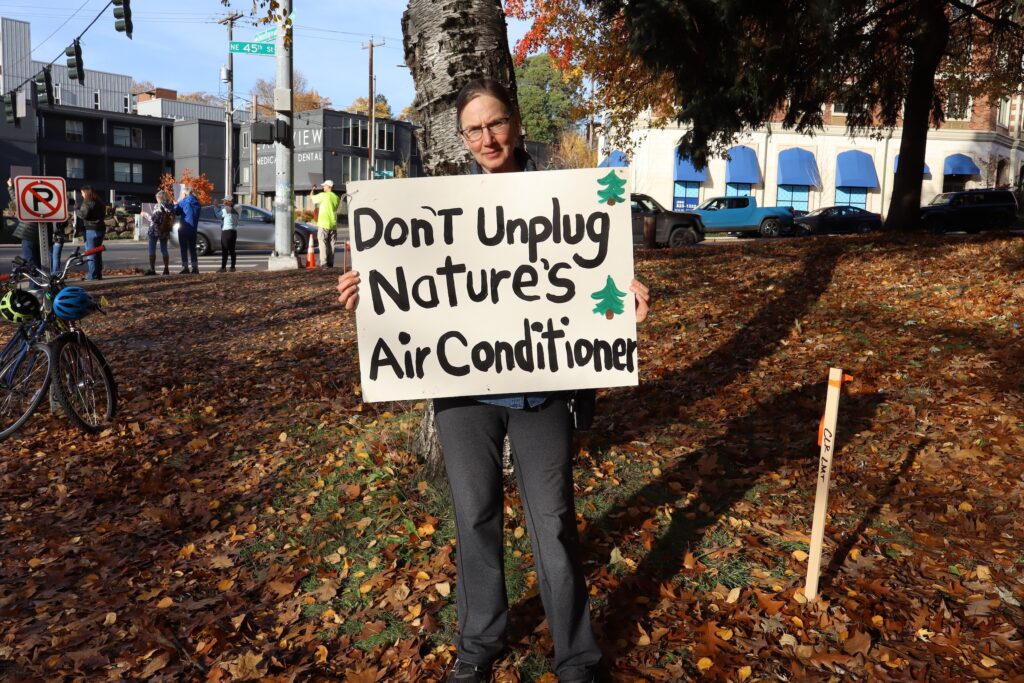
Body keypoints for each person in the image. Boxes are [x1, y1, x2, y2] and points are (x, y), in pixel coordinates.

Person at [336, 78, 651, 683]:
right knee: (474, 514)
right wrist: (367, 293)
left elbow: (593, 283)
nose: (487, 137)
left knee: (553, 522)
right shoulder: (438, 205)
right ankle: (479, 645)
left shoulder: (568, 196)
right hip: (463, 391)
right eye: (474, 129)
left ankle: (576, 657)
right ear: (462, 138)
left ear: (517, 124)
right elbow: (413, 286)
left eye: (496, 123)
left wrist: (624, 304)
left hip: (544, 383)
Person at [6, 178, 42, 272]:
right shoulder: (44, 200)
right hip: (42, 234)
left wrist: (10, 187)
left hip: (28, 233)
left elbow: (15, 200)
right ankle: (41, 283)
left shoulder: (27, 200)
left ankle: (34, 285)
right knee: (38, 261)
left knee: (30, 262)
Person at [76, 185, 106, 280]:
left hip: (90, 229)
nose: (82, 195)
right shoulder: (100, 202)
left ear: (86, 193)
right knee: (97, 252)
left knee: (91, 253)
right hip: (100, 228)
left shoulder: (87, 202)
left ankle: (92, 275)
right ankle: (98, 274)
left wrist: (76, 209)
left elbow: (84, 215)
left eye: (82, 193)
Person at [142, 190, 175, 276]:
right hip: (165, 230)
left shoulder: (158, 206)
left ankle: (152, 269)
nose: (156, 200)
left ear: (159, 198)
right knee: (164, 249)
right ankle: (166, 269)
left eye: (157, 198)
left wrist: (145, 214)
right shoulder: (170, 206)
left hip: (155, 230)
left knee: (152, 249)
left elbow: (154, 219)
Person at [311, 179, 341, 267]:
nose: (323, 187)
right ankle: (330, 262)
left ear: (329, 187)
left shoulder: (323, 196)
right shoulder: (336, 197)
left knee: (322, 243)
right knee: (331, 244)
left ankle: (324, 262)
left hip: (323, 223)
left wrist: (312, 190)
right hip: (333, 224)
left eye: (324, 185)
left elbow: (312, 198)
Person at [174, 186, 201, 274]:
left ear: (185, 193)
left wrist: (175, 204)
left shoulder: (184, 201)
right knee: (192, 248)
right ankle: (195, 267)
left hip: (184, 227)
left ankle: (185, 267)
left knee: (183, 248)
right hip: (193, 228)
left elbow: (176, 211)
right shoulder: (197, 202)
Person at [215, 197, 239, 272]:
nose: (223, 202)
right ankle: (232, 267)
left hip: (226, 231)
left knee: (225, 250)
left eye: (224, 201)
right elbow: (236, 223)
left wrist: (215, 207)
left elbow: (217, 216)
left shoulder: (225, 210)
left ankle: (223, 267)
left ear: (227, 202)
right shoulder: (236, 212)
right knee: (232, 250)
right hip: (233, 232)